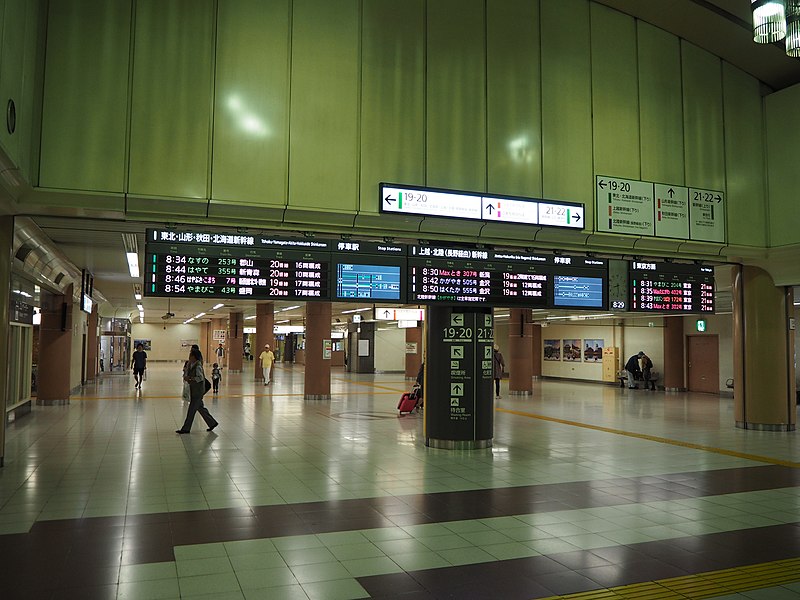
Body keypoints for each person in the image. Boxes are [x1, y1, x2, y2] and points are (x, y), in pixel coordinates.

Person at [176, 348, 218, 434]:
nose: (189, 357)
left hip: (198, 391)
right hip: (194, 390)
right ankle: (212, 423)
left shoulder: (198, 366)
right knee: (200, 408)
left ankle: (186, 428)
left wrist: (190, 378)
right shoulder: (191, 364)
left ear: (194, 357)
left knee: (191, 410)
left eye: (190, 355)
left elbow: (200, 378)